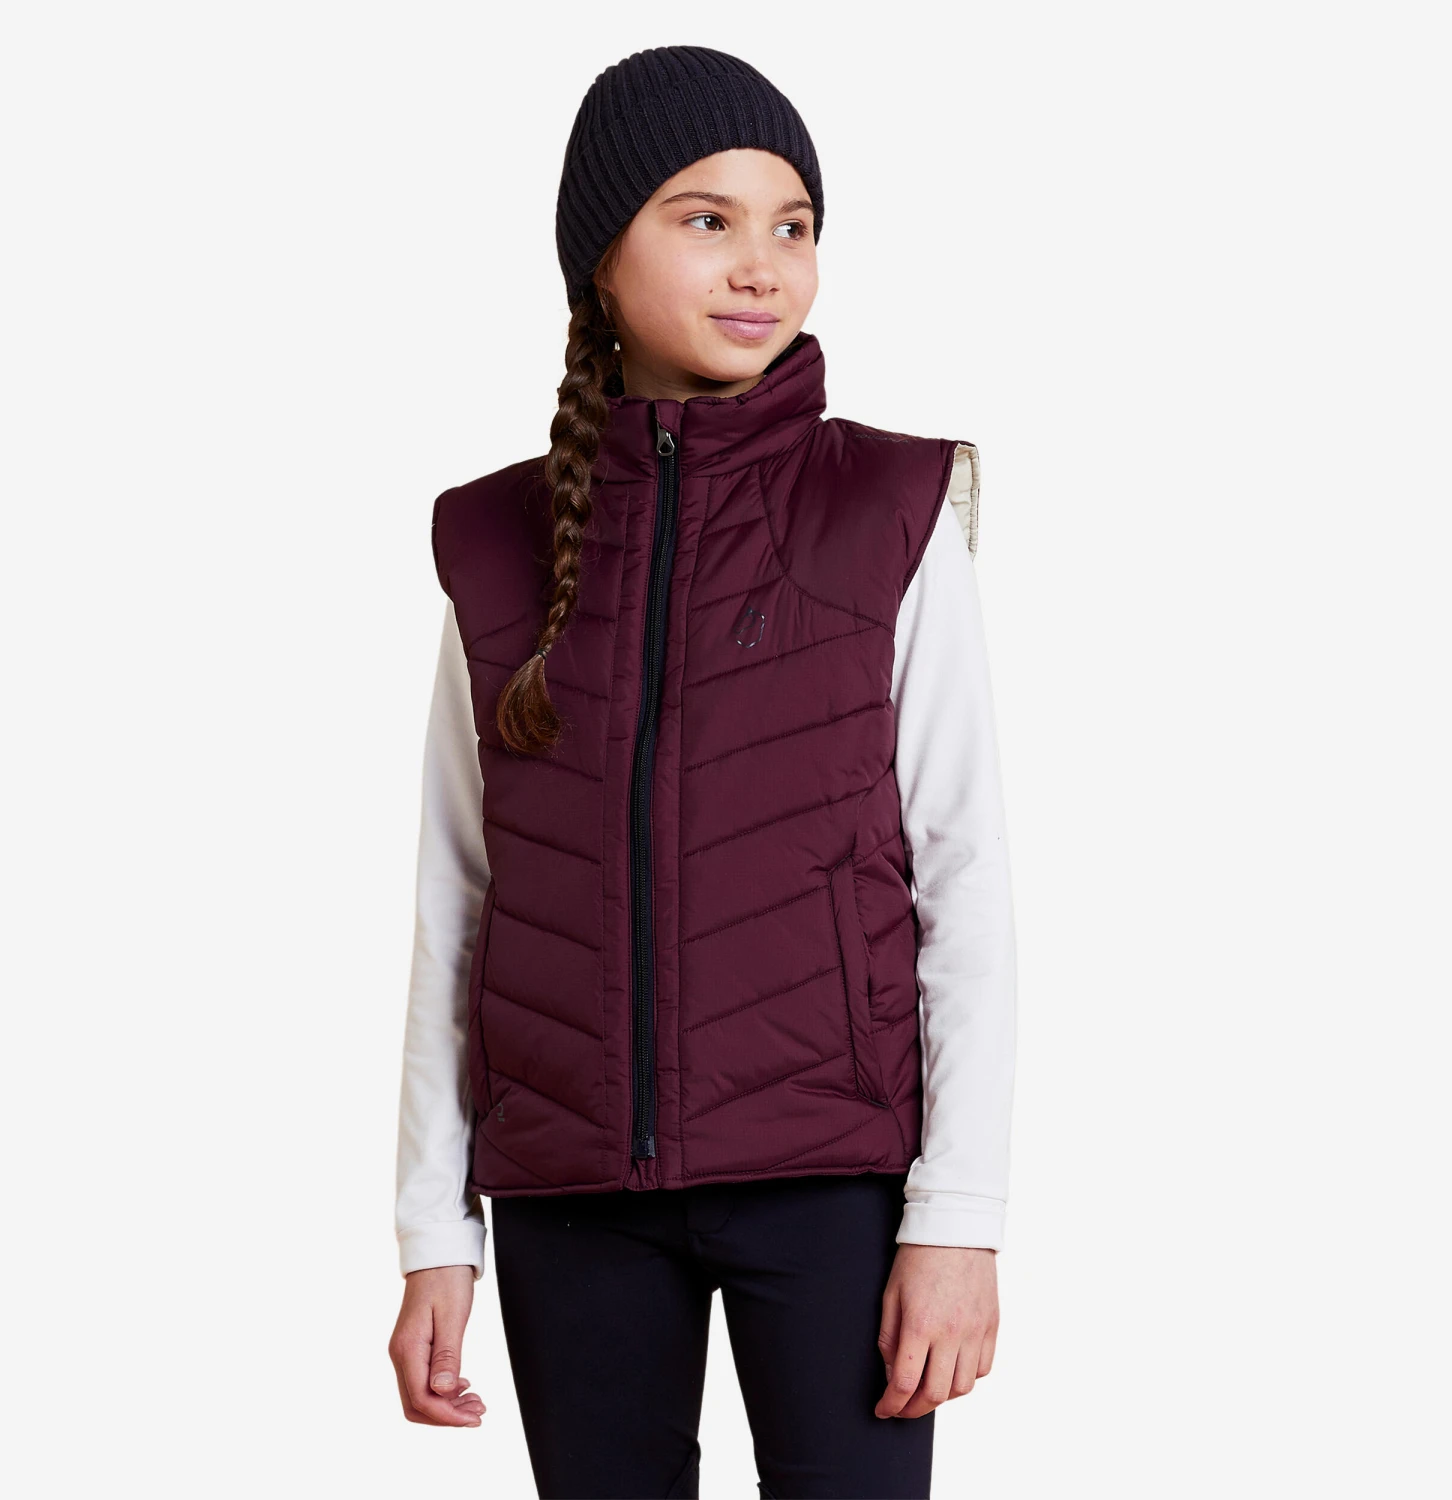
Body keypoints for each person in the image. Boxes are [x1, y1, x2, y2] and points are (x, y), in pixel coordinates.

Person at [387, 44, 1017, 1500]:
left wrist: (959, 1216)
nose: (761, 265)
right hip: (570, 1200)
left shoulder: (888, 510)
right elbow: (458, 901)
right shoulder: (498, 546)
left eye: (793, 224)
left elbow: (964, 877)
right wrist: (433, 1230)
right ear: (599, 261)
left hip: (835, 1183)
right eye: (705, 218)